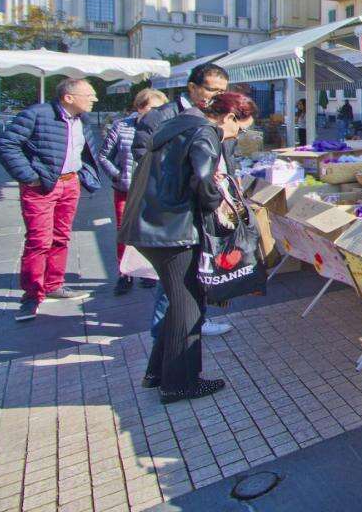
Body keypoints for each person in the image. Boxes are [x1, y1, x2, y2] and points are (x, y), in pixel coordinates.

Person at [119, 92, 257, 402]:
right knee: (188, 304)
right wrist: (217, 205)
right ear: (230, 117)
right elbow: (205, 179)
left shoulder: (177, 126)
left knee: (178, 301)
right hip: (173, 230)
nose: (238, 135)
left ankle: (158, 372)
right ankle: (181, 383)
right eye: (241, 128)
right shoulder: (204, 132)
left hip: (152, 223)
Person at [131, 62, 233, 338]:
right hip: (171, 216)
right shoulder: (161, 116)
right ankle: (165, 340)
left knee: (189, 280)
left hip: (191, 212)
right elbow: (144, 159)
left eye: (222, 91)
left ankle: (188, 328)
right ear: (192, 87)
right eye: (212, 89)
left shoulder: (210, 116)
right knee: (172, 286)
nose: (216, 96)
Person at [0, 78, 101, 322]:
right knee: (39, 240)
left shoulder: (81, 120)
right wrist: (28, 176)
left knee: (61, 236)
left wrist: (85, 173)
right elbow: (6, 144)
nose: (94, 99)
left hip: (70, 183)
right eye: (90, 95)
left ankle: (54, 284)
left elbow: (84, 151)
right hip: (42, 186)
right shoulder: (37, 114)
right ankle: (32, 295)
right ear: (69, 97)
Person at [98, 88, 167, 295]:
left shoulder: (164, 128)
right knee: (124, 232)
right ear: (139, 107)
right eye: (152, 108)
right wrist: (118, 175)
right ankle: (124, 274)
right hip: (126, 189)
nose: (157, 113)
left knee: (150, 233)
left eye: (160, 109)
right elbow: (104, 156)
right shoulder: (122, 127)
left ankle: (147, 272)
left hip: (154, 191)